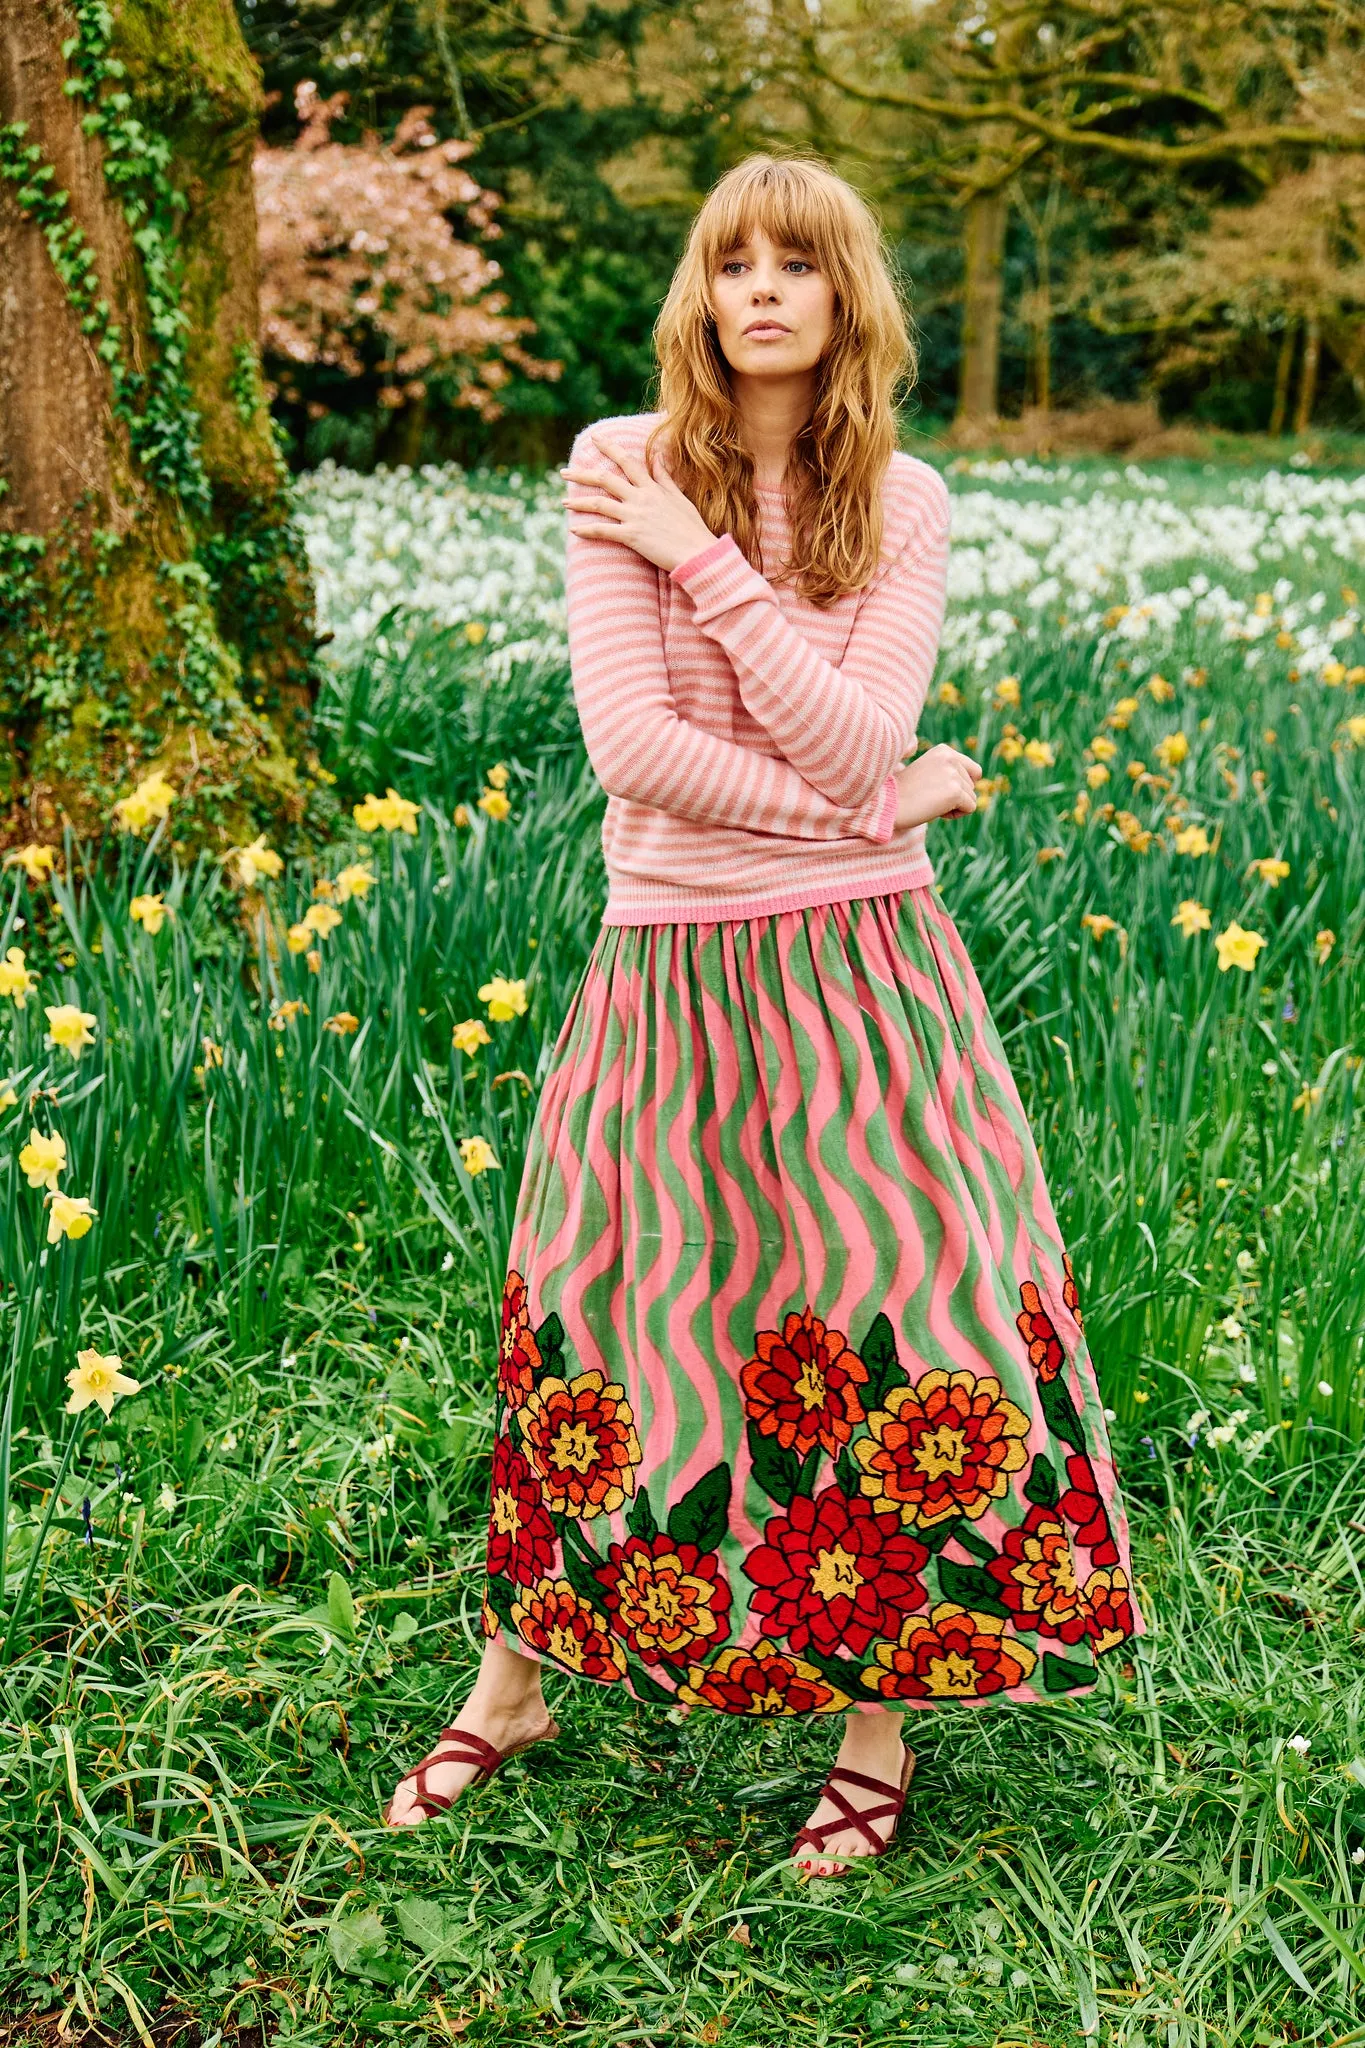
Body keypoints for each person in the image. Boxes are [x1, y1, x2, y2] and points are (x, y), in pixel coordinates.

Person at [384, 151, 1142, 1874]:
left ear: (847, 295)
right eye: (736, 262)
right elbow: (633, 755)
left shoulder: (907, 497)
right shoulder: (617, 468)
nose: (765, 289)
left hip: (870, 978)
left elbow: (855, 735)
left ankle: (877, 1725)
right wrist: (891, 801)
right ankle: (515, 1681)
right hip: (671, 967)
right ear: (702, 295)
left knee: (902, 1326)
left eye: (801, 262)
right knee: (607, 1318)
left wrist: (715, 585)